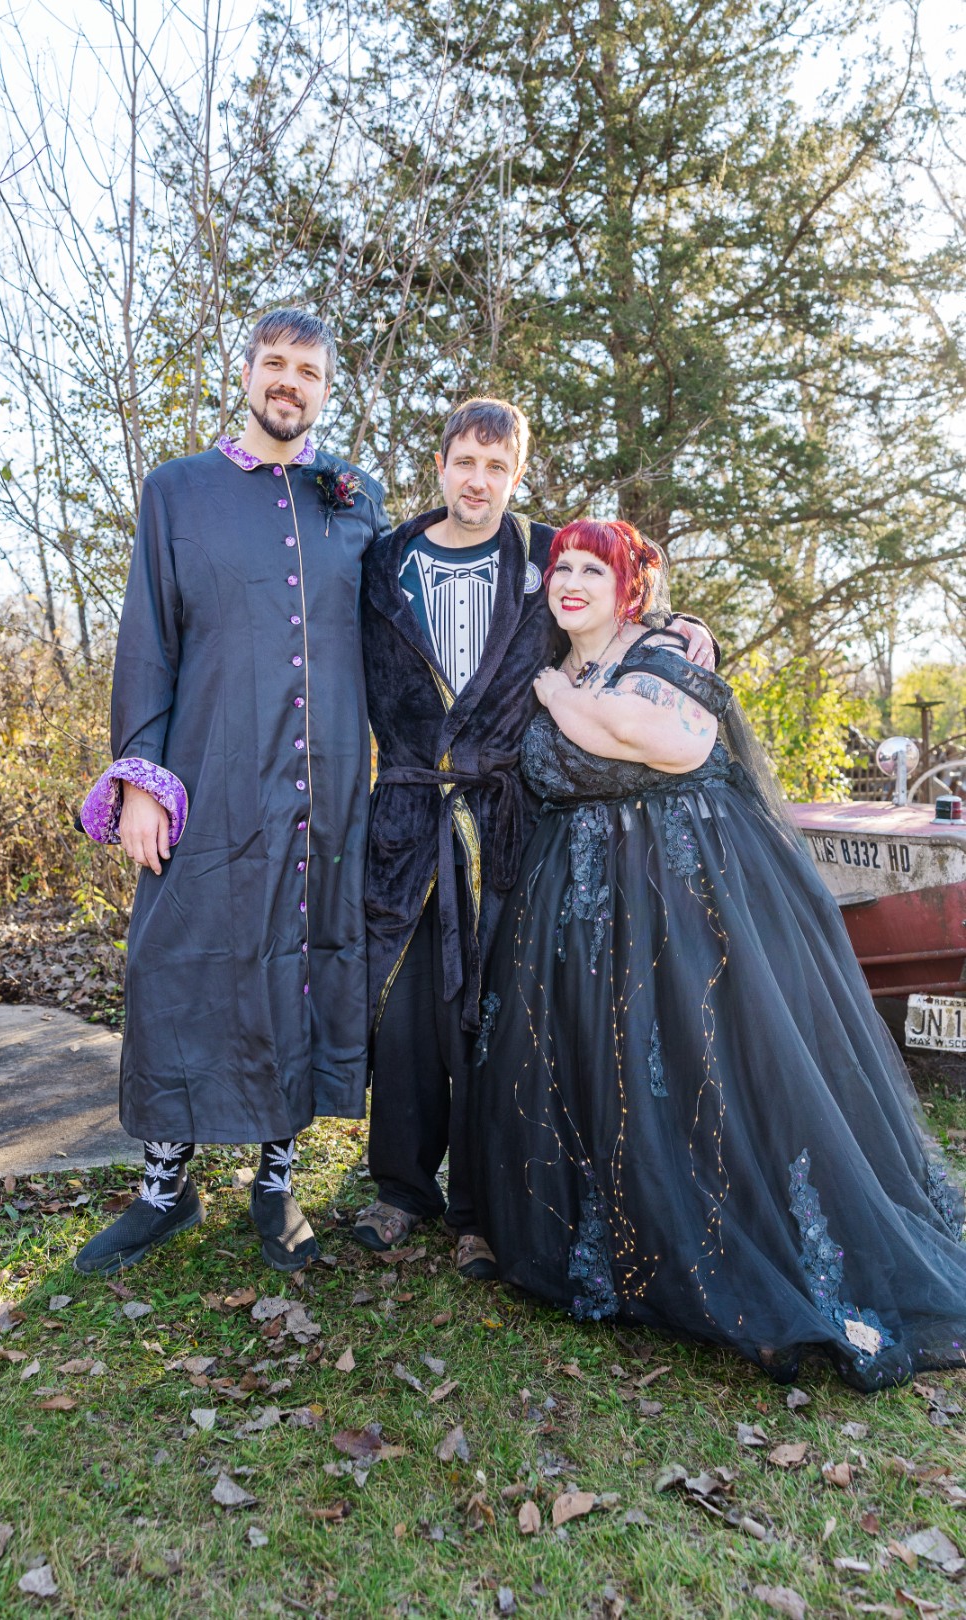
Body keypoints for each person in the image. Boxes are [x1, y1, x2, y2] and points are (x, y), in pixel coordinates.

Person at [470, 516, 966, 1389]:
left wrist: (561, 700)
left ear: (631, 585)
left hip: (681, 903)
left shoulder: (663, 647)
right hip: (575, 915)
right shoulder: (549, 660)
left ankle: (727, 1248)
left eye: (595, 568)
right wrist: (570, 697)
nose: (573, 581)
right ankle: (611, 1242)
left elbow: (674, 742)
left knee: (699, 1070)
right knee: (602, 1073)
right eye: (562, 567)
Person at [356, 401, 715, 1277]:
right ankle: (401, 1189)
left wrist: (680, 634)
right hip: (408, 816)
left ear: (518, 474)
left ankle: (484, 1205)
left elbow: (622, 601)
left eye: (497, 465)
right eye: (465, 461)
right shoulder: (381, 563)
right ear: (439, 464)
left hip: (508, 819)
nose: (479, 480)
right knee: (406, 1011)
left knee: (495, 1012)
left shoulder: (548, 558)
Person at [75, 309, 388, 1274]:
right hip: (207, 776)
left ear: (327, 390)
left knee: (293, 960)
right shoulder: (178, 492)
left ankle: (277, 1183)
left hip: (323, 784)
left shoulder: (355, 500)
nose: (289, 382)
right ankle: (164, 1189)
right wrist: (140, 781)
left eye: (309, 371)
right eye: (275, 364)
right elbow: (147, 643)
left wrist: (655, 622)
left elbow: (436, 584)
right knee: (175, 962)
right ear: (246, 373)